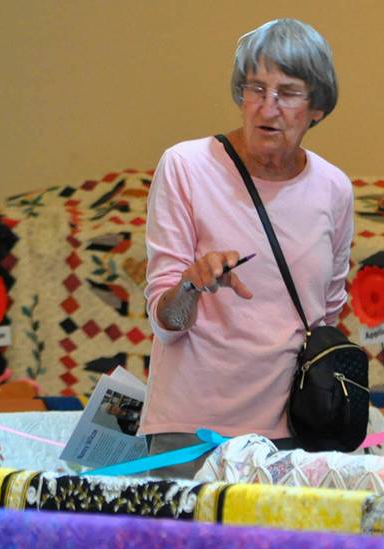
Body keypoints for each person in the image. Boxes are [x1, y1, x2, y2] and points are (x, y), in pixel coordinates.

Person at [139, 18, 353, 474]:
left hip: (295, 434)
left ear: (317, 107)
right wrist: (190, 285)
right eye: (255, 89)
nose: (266, 108)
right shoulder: (186, 166)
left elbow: (328, 314)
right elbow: (165, 320)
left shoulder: (334, 188)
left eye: (288, 93)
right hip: (191, 432)